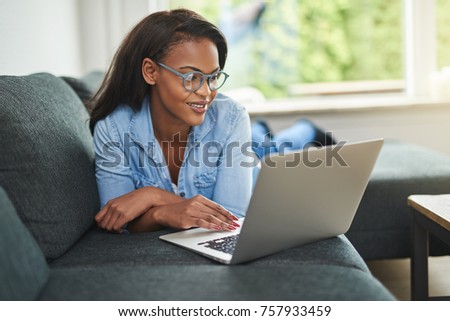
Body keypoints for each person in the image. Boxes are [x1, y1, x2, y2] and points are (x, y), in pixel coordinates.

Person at [89, 9, 254, 234]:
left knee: (289, 141)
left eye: (212, 77)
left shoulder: (232, 118)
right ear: (150, 72)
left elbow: (231, 219)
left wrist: (152, 198)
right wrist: (164, 212)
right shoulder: (113, 129)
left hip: (254, 171)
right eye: (191, 77)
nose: (206, 92)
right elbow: (118, 221)